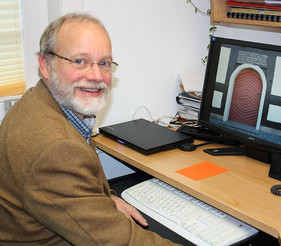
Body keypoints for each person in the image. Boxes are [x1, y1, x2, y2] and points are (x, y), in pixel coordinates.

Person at [0, 13, 178, 245]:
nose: (96, 76)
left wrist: (104, 200)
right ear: (45, 65)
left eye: (104, 63)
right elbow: (120, 242)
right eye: (79, 61)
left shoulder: (38, 103)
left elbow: (64, 185)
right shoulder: (56, 148)